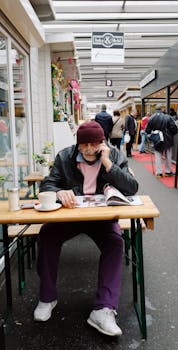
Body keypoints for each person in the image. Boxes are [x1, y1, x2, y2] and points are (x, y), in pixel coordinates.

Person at [33, 121, 139, 337]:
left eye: (94, 144)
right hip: (71, 216)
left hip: (102, 218)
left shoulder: (115, 155)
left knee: (115, 242)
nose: (89, 149)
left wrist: (108, 163)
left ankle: (104, 309)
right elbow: (47, 185)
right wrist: (59, 191)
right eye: (84, 145)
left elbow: (131, 188)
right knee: (47, 234)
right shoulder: (65, 157)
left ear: (102, 143)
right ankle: (47, 297)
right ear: (77, 144)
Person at [145, 104, 178, 177]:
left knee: (158, 155)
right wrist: (171, 133)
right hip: (167, 138)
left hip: (157, 138)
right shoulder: (168, 117)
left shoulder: (151, 118)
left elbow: (147, 130)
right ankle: (168, 171)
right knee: (168, 155)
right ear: (162, 109)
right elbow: (174, 129)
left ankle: (158, 172)